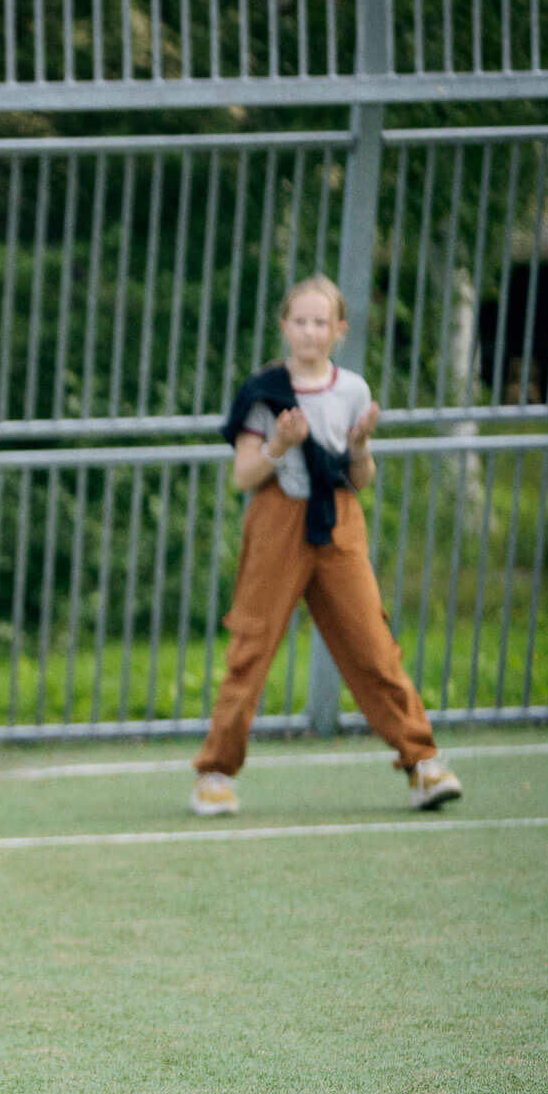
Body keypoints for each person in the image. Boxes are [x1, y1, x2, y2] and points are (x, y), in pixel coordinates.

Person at [193, 276, 460, 816]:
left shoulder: (353, 390)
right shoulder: (263, 390)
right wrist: (279, 446)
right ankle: (215, 775)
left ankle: (423, 765)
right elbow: (244, 476)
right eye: (300, 322)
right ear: (283, 326)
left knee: (372, 645)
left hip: (338, 521)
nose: (310, 333)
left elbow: (360, 478)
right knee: (252, 647)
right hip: (277, 522)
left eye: (321, 322)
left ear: (339, 329)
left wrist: (360, 446)